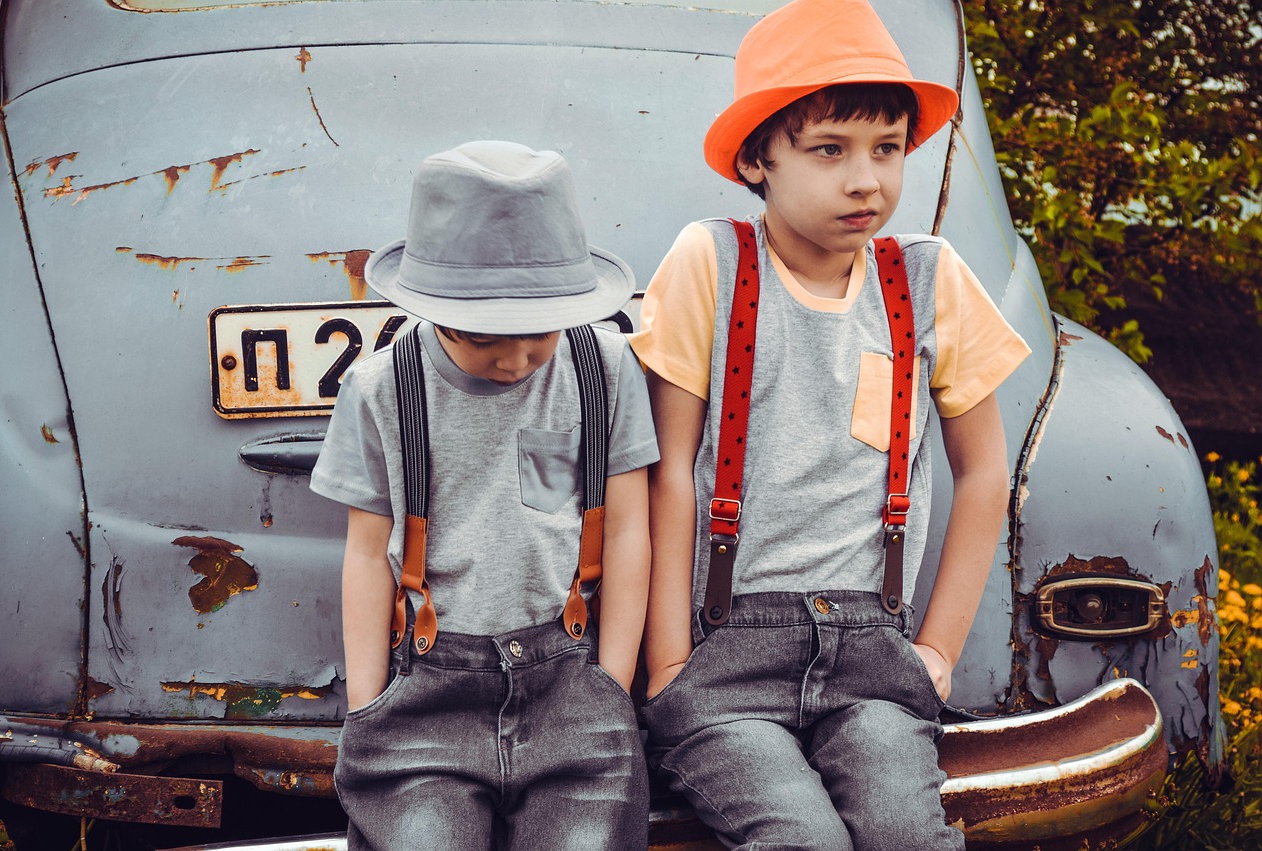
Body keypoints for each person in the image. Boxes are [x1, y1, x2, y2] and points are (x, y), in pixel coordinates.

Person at [629, 1, 1032, 848]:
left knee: (904, 832)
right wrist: (668, 662)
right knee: (798, 838)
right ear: (756, 159)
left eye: (887, 150)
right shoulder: (713, 263)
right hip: (724, 654)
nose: (866, 180)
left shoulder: (929, 279)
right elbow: (666, 470)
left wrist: (938, 652)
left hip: (873, 662)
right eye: (829, 150)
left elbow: (987, 469)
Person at [310, 140, 657, 850]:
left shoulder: (605, 370)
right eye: (484, 338)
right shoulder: (381, 389)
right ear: (432, 307)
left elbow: (626, 532)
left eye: (538, 336)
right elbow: (367, 555)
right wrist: (368, 706)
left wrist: (612, 688)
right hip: (428, 701)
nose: (515, 359)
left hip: (571, 688)